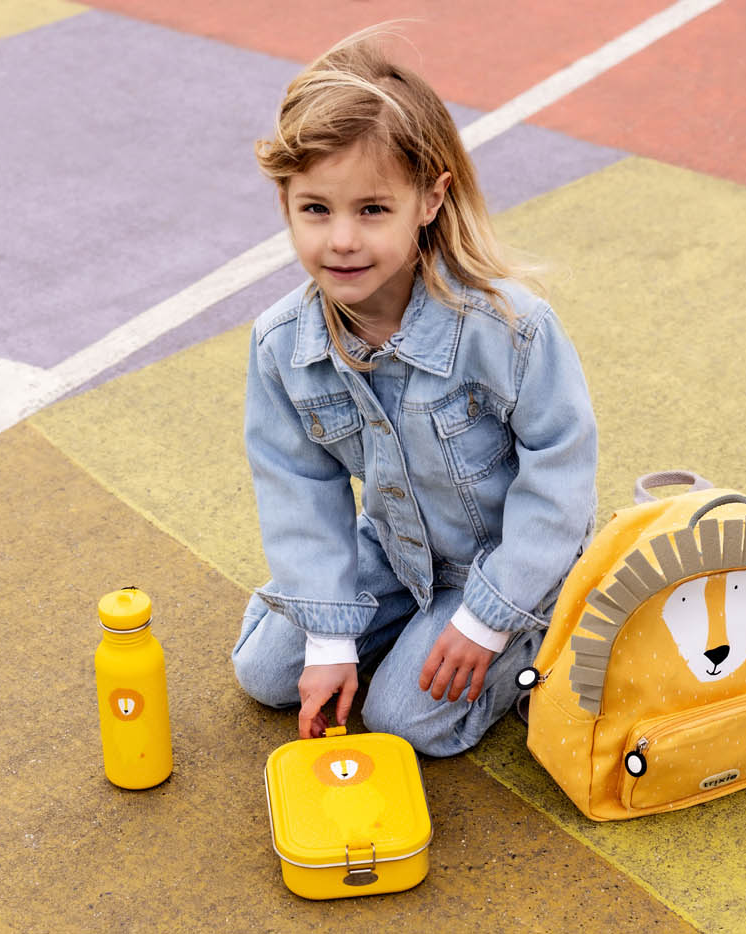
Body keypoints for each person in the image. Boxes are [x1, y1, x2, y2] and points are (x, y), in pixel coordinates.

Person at [231, 28, 598, 757]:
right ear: (286, 202)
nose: (341, 240)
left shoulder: (510, 328)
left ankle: (541, 626)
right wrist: (329, 637)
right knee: (265, 671)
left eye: (372, 209)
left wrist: (486, 619)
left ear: (428, 199)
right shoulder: (282, 345)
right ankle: (375, 625)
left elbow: (562, 470)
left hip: (508, 561)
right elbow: (298, 490)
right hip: (399, 551)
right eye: (315, 209)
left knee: (405, 719)